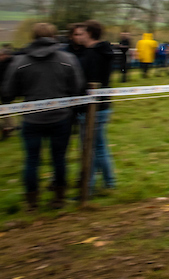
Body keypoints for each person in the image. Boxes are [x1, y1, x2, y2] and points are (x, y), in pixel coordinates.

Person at [2, 23, 85, 210]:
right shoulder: (67, 59)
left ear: (33, 37)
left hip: (32, 119)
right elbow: (78, 87)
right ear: (54, 36)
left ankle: (32, 201)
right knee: (59, 158)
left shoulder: (20, 62)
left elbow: (8, 92)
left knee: (32, 160)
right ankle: (59, 198)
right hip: (61, 117)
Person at [77, 20, 116, 193]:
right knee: (99, 145)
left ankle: (88, 187)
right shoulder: (102, 51)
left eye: (83, 33)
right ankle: (110, 182)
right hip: (102, 104)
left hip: (93, 106)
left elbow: (87, 80)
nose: (81, 36)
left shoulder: (93, 55)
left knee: (90, 148)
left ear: (90, 34)